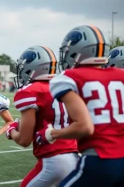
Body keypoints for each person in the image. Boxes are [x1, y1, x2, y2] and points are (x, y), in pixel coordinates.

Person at [39, 25, 124, 186]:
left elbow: (85, 127)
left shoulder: (68, 78)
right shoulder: (122, 76)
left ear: (78, 51)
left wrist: (51, 134)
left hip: (100, 159)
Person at [6, 46, 78, 187]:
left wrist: (11, 131)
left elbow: (24, 140)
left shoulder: (31, 91)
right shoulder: (64, 85)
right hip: (75, 158)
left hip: (53, 160)